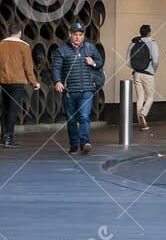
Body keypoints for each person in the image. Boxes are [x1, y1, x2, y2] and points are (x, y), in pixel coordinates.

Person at [50, 23, 102, 155]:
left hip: (87, 90)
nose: (78, 37)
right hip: (69, 91)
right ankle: (74, 145)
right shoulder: (62, 50)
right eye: (75, 34)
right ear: (70, 34)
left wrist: (93, 63)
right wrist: (57, 81)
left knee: (84, 117)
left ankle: (85, 143)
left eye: (80, 35)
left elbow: (100, 62)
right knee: (71, 120)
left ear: (83, 35)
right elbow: (56, 68)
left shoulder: (90, 48)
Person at [0, 25, 41, 147]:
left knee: (4, 110)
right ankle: (9, 138)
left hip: (3, 81)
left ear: (9, 32)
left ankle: (3, 137)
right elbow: (28, 67)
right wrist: (34, 83)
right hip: (17, 83)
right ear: (20, 33)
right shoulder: (24, 46)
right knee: (13, 110)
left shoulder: (1, 44)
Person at [126, 23, 159, 131]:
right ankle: (143, 114)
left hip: (136, 73)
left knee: (140, 97)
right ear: (149, 32)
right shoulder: (152, 43)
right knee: (150, 96)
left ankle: (142, 123)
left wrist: (136, 68)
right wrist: (153, 70)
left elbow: (127, 61)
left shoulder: (133, 43)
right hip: (148, 73)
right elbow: (155, 61)